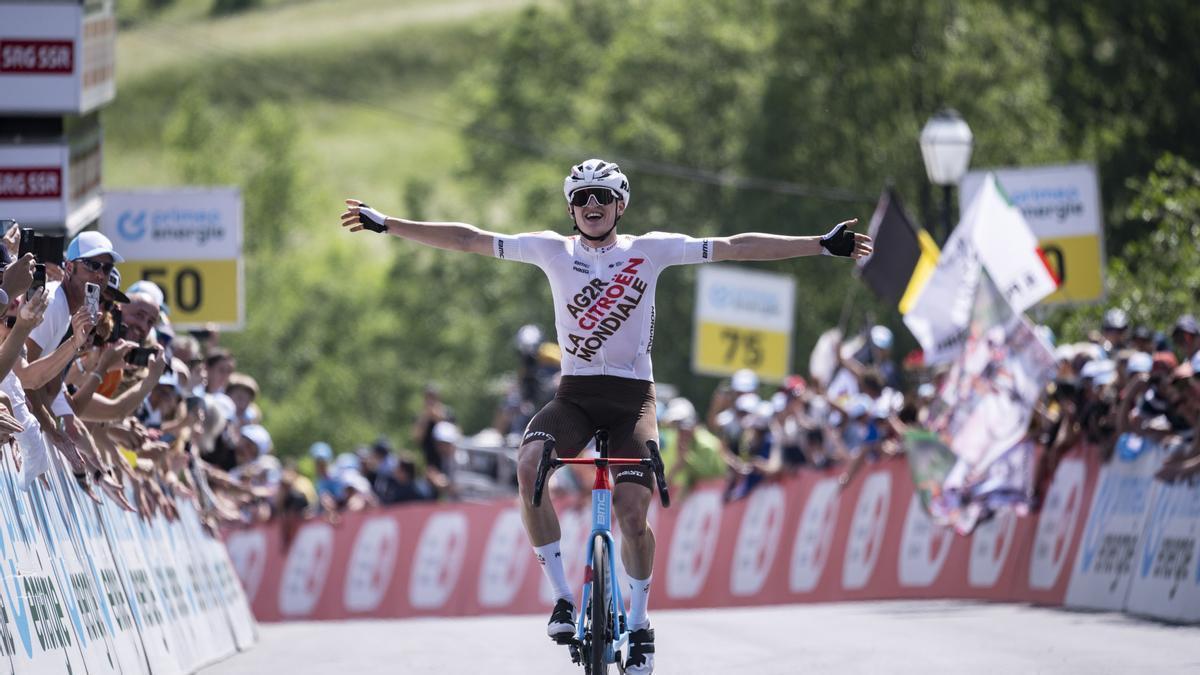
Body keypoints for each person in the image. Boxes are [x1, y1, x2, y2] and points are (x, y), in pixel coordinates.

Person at [340, 158, 872, 674]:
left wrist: (819, 244)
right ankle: (564, 600)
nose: (592, 205)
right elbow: (468, 238)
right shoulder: (551, 250)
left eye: (603, 197)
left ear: (621, 205)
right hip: (573, 397)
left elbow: (735, 246)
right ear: (571, 209)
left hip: (632, 400)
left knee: (631, 513)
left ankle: (640, 626)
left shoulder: (651, 251)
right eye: (581, 198)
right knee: (529, 469)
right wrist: (388, 223)